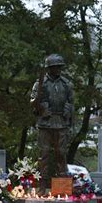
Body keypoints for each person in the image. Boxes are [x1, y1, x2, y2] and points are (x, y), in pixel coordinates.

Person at [31, 54, 73, 194]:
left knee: (61, 153)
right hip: (45, 123)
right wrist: (39, 105)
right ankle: (42, 186)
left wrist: (68, 110)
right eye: (55, 67)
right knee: (44, 154)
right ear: (49, 68)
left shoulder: (66, 84)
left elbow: (70, 101)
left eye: (59, 67)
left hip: (61, 122)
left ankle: (62, 188)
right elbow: (33, 103)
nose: (58, 70)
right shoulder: (40, 84)